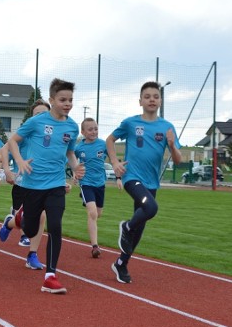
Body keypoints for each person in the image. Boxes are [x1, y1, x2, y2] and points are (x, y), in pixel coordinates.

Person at [6, 78, 84, 294]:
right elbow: (13, 141)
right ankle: (19, 218)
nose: (67, 103)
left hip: (56, 185)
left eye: (70, 100)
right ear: (52, 100)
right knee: (30, 229)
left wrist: (75, 168)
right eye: (62, 99)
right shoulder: (37, 121)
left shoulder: (72, 126)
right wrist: (20, 161)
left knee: (56, 226)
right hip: (32, 185)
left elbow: (69, 152)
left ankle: (50, 275)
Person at [106, 81, 182, 285]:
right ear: (140, 101)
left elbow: (178, 160)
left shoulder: (167, 127)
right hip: (132, 177)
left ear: (160, 101)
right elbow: (110, 140)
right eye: (147, 96)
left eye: (155, 96)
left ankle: (121, 263)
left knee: (140, 227)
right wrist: (114, 162)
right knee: (150, 208)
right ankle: (126, 226)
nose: (151, 99)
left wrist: (173, 145)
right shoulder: (130, 123)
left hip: (152, 182)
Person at [0, 99, 51, 271]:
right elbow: (4, 149)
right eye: (37, 114)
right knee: (27, 221)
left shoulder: (52, 136)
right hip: (24, 183)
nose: (41, 117)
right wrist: (7, 171)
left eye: (44, 114)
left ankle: (32, 255)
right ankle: (9, 223)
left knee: (42, 216)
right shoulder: (25, 134)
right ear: (31, 117)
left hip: (45, 183)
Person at [74, 117, 109, 258]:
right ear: (83, 132)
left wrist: (119, 177)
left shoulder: (103, 144)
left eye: (95, 128)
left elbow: (112, 157)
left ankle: (86, 199)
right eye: (90, 129)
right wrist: (75, 172)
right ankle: (95, 246)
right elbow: (71, 159)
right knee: (93, 213)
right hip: (86, 183)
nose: (94, 131)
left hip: (100, 183)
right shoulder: (79, 148)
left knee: (98, 214)